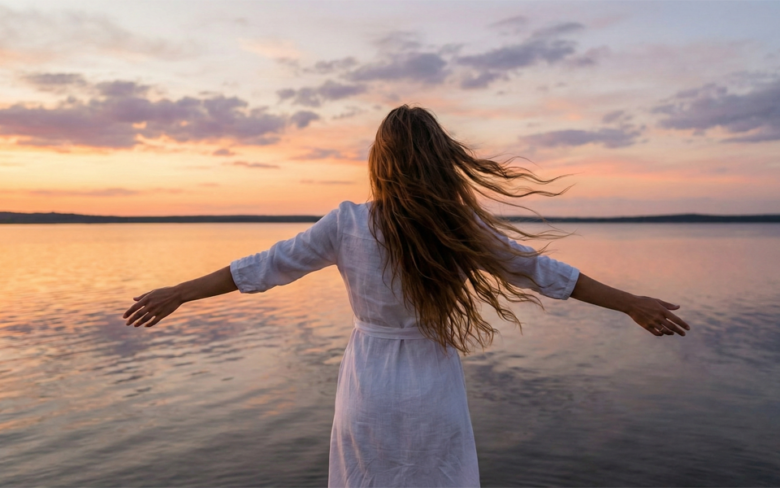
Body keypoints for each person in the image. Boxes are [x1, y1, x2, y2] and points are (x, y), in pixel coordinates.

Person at [123, 105, 691, 487]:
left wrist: (180, 291)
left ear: (381, 161)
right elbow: (541, 272)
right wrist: (631, 304)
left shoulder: (347, 222)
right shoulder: (459, 225)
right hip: (431, 383)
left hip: (367, 386)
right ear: (441, 158)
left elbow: (264, 268)